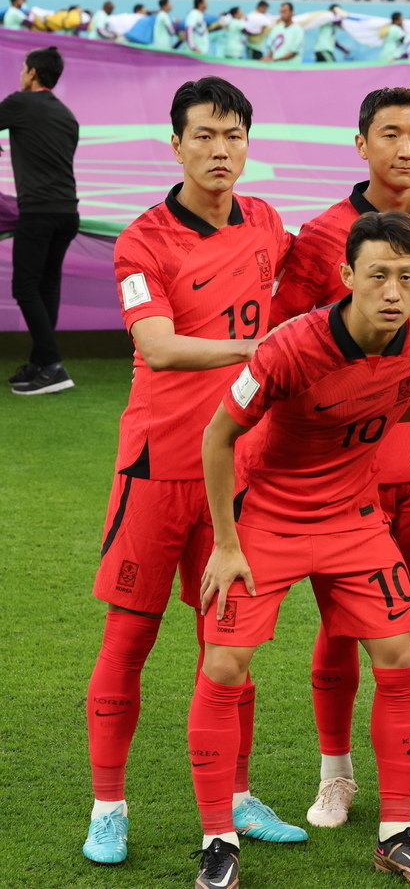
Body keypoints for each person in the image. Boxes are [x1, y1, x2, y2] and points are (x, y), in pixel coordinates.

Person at [194, 210, 410, 889]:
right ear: (347, 275)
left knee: (400, 654)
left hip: (355, 517)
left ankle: (394, 832)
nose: (392, 290)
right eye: (378, 274)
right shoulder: (290, 347)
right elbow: (217, 437)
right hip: (270, 516)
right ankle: (217, 839)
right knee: (226, 661)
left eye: (407, 277)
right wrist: (227, 544)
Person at [80, 77, 303, 867]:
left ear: (248, 143)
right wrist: (262, 351)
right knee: (129, 637)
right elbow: (160, 347)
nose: (219, 149)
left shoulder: (270, 223)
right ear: (175, 143)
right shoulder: (142, 238)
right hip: (155, 468)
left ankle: (237, 795)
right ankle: (109, 805)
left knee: (230, 645)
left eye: (233, 135)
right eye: (204, 135)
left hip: (238, 473)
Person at [270, 87, 410, 831]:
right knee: (339, 625)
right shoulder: (322, 234)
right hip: (345, 473)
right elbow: (288, 340)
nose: (405, 147)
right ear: (359, 143)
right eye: (389, 134)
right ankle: (336, 774)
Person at [3, 47, 80, 397]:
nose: (20, 73)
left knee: (25, 287)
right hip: (67, 214)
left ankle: (51, 364)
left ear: (32, 73)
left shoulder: (21, 103)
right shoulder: (68, 116)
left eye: (23, 68)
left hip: (38, 212)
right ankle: (38, 362)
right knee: (46, 286)